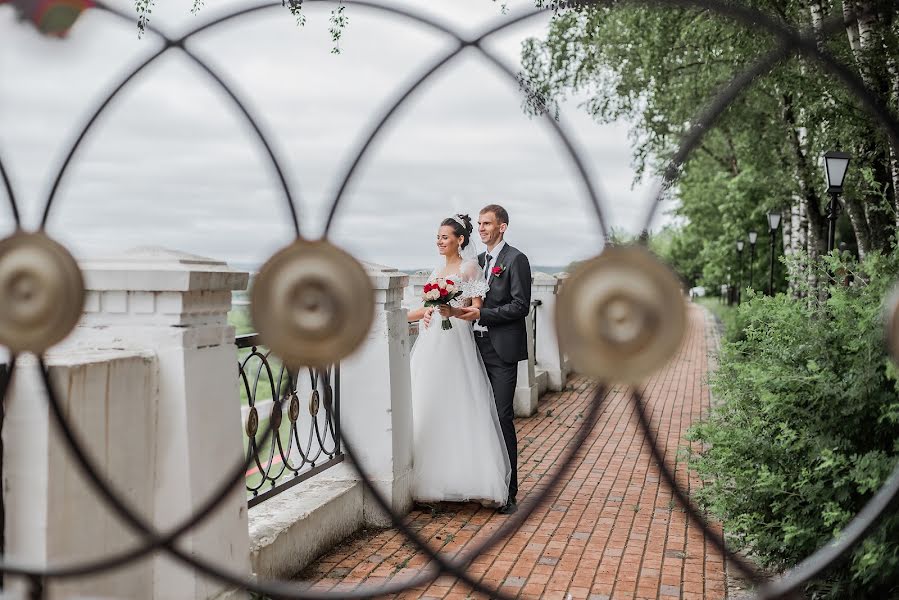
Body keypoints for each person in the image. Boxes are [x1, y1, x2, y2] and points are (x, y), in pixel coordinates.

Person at [425, 204, 531, 515]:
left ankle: (507, 490)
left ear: (503, 227)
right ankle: (477, 480)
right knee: (476, 415)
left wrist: (482, 313)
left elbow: (520, 306)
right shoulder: (477, 261)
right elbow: (468, 305)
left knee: (501, 416)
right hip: (472, 346)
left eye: (488, 223)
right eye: (481, 224)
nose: (483, 228)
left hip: (501, 350)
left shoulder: (516, 260)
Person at [406, 214, 511, 506]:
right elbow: (424, 307)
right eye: (437, 237)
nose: (439, 242)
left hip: (457, 342)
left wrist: (452, 313)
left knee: (459, 403)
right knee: (429, 402)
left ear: (460, 240)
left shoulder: (469, 269)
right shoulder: (437, 270)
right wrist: (415, 314)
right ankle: (433, 480)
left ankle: (471, 479)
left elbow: (476, 308)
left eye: (445, 237)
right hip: (432, 341)